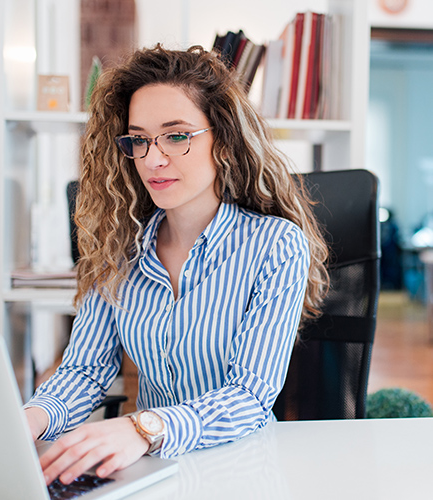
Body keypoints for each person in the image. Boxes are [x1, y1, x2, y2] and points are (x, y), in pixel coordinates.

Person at [24, 44, 329, 486]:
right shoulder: (120, 250)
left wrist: (143, 428)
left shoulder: (275, 246)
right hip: (153, 472)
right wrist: (28, 419)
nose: (153, 159)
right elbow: (84, 371)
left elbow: (249, 396)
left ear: (223, 143)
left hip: (241, 472)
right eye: (139, 139)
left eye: (177, 136)